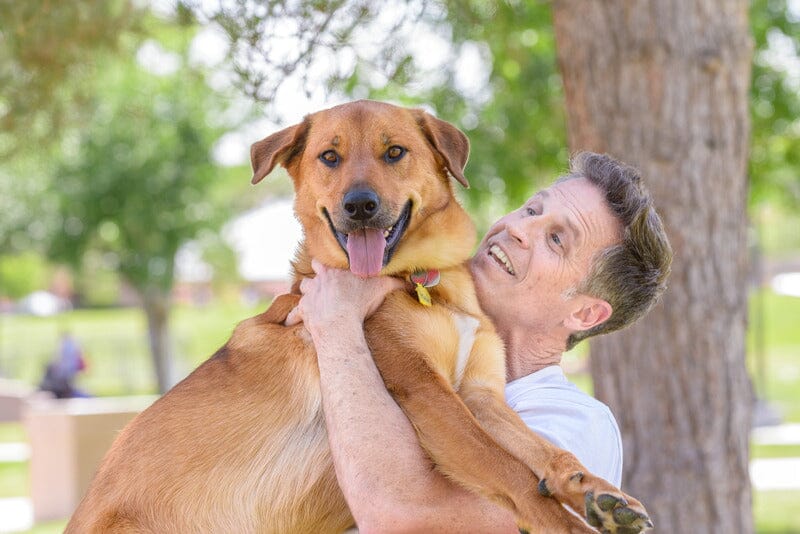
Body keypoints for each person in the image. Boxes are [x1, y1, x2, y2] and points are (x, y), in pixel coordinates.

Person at [287, 151, 672, 532]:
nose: (518, 229)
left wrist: (337, 327)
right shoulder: (412, 319)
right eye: (532, 210)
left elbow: (407, 520)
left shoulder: (577, 422)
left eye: (556, 240)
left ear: (585, 314)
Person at [39, 331, 90, 399]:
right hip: (57, 393)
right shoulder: (55, 364)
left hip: (66, 392)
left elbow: (85, 371)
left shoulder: (75, 360)